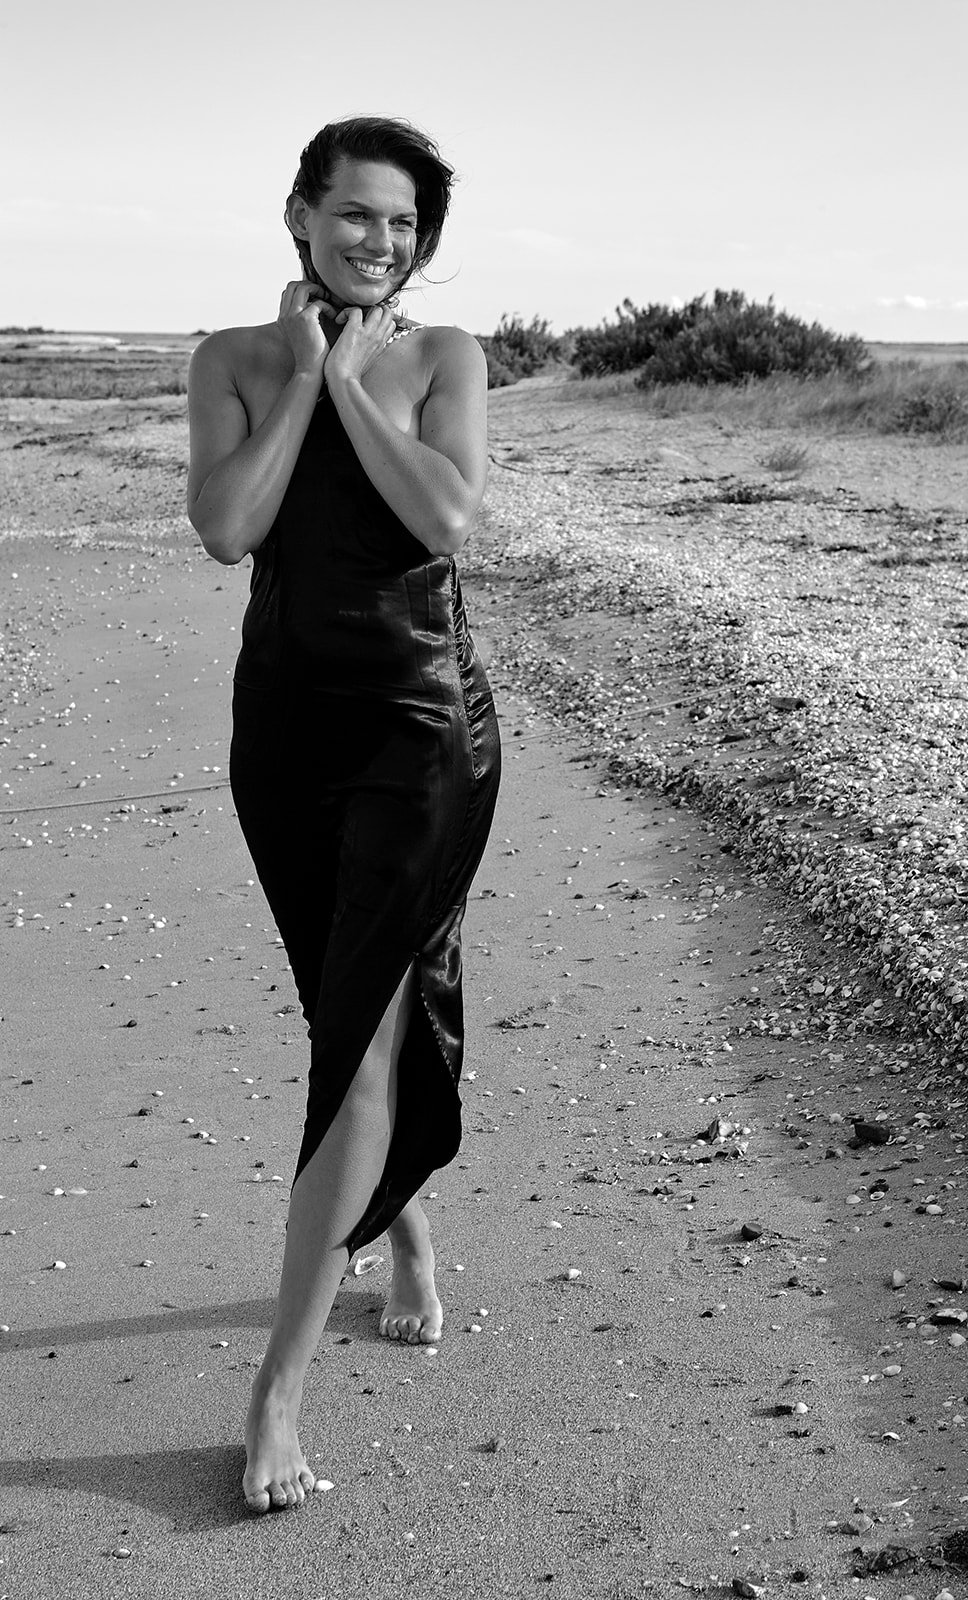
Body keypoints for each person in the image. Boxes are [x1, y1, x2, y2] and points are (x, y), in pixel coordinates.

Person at [186, 116, 501, 1513]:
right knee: (346, 1013)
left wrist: (360, 387)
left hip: (423, 732)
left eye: (403, 222)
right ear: (302, 215)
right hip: (285, 738)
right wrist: (308, 379)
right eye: (357, 213)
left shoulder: (445, 360)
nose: (380, 240)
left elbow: (445, 520)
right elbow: (229, 529)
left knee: (362, 1040)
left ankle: (278, 1390)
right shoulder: (230, 361)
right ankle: (405, 1228)